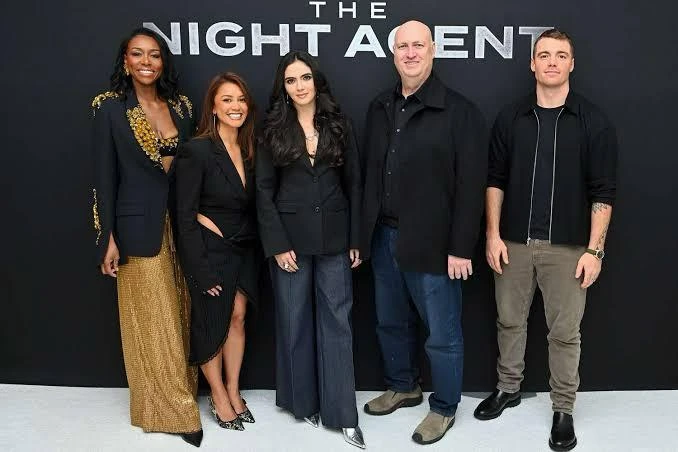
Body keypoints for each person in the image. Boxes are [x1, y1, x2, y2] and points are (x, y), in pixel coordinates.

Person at [473, 29, 617, 452]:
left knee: (565, 334)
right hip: (513, 243)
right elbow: (494, 180)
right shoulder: (511, 117)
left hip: (569, 248)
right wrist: (492, 234)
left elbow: (603, 192)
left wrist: (595, 250)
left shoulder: (593, 121)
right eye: (544, 55)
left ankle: (563, 409)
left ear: (572, 64)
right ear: (532, 64)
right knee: (509, 321)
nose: (552, 62)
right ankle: (508, 388)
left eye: (560, 55)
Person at [360, 20, 487, 445]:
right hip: (384, 237)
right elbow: (368, 176)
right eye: (403, 46)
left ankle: (444, 407)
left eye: (418, 45)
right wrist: (362, 237)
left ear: (433, 51)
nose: (411, 53)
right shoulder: (380, 107)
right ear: (393, 54)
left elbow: (471, 186)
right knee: (390, 321)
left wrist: (461, 247)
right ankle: (403, 385)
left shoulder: (460, 111)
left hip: (435, 243)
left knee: (442, 334)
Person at [90, 27, 202, 447]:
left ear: (163, 61)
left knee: (183, 312)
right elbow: (103, 179)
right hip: (136, 227)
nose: (146, 62)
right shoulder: (109, 108)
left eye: (154, 54)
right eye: (137, 54)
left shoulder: (182, 106)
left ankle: (180, 393)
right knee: (153, 320)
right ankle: (173, 412)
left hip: (182, 225)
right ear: (125, 62)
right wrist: (107, 238)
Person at [256, 50, 365, 449]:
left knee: (338, 323)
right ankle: (301, 402)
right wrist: (277, 244)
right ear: (283, 87)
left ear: (317, 81)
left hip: (335, 238)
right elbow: (263, 191)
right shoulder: (271, 128)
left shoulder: (339, 123)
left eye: (305, 77)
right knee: (294, 321)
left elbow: (355, 183)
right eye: (291, 80)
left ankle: (342, 414)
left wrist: (356, 238)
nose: (299, 86)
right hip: (290, 242)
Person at [174, 72, 260, 432]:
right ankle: (218, 395)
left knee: (238, 316)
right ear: (213, 106)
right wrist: (200, 268)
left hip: (244, 248)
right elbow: (184, 215)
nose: (235, 106)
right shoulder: (197, 150)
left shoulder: (251, 149)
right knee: (212, 322)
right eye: (227, 99)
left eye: (241, 99)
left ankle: (234, 389)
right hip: (209, 250)